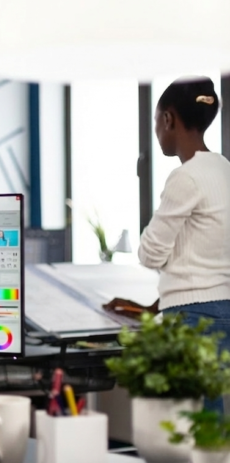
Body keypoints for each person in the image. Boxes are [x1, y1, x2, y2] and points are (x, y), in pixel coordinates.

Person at [103, 77, 230, 414]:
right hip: (221, 308)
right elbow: (205, 254)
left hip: (191, 317)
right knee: (208, 414)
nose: (157, 130)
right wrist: (154, 306)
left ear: (169, 119)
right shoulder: (223, 168)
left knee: (191, 419)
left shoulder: (185, 177)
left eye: (156, 120)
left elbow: (149, 254)